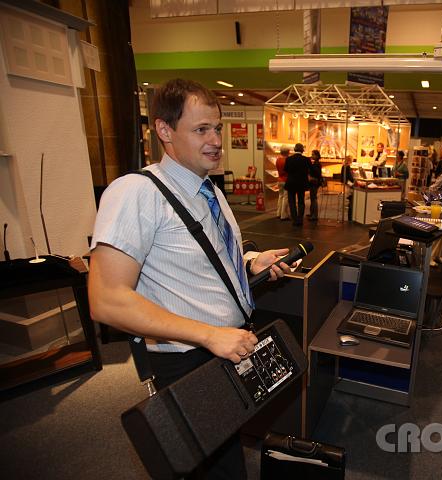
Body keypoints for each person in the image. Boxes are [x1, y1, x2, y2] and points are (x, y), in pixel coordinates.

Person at [88, 78, 293, 480]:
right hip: (187, 360)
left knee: (225, 458)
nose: (216, 139)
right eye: (202, 130)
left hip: (225, 348)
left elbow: (205, 260)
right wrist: (208, 334)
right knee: (212, 469)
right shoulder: (135, 193)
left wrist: (249, 264)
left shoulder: (208, 191)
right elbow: (107, 299)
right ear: (165, 131)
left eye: (216, 128)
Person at [284, 142, 310, 226]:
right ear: (302, 150)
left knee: (291, 201)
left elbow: (286, 170)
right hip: (301, 183)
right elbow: (309, 170)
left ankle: (294, 219)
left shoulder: (289, 159)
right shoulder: (306, 159)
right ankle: (300, 219)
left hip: (291, 183)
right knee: (301, 201)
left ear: (294, 149)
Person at [307, 149, 323, 221]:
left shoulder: (317, 164)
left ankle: (314, 215)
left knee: (314, 198)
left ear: (317, 156)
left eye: (313, 154)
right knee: (312, 198)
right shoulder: (315, 163)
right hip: (313, 182)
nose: (311, 155)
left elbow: (317, 174)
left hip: (314, 182)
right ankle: (312, 213)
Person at [275, 146, 290, 220]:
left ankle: (278, 213)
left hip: (279, 179)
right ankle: (284, 215)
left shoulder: (278, 159)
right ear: (287, 152)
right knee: (285, 198)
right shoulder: (287, 160)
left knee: (280, 197)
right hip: (286, 180)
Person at [341, 156, 355, 222]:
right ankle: (350, 217)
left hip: (346, 183)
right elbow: (349, 177)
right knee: (351, 200)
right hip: (349, 184)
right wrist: (354, 181)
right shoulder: (347, 167)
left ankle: (350, 217)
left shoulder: (344, 166)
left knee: (349, 200)